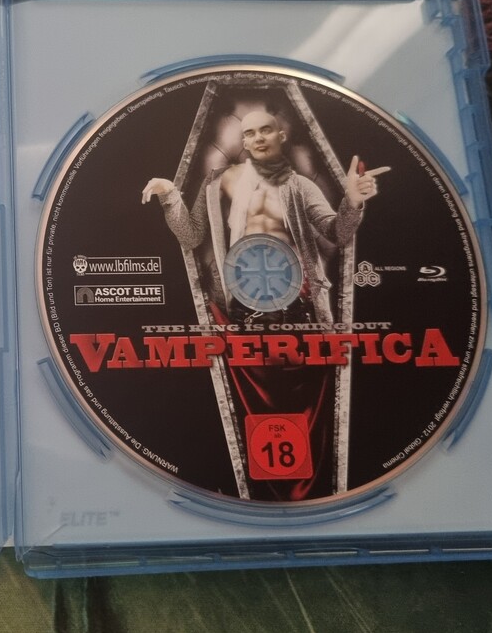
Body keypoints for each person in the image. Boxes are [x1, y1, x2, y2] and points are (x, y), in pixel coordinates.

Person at [140, 109, 388, 500]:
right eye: (250, 133)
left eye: (266, 130)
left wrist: (354, 202)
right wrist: (170, 196)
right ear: (243, 140)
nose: (257, 138)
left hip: (298, 312)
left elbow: (337, 232)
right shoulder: (218, 183)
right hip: (238, 311)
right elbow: (191, 236)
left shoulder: (300, 186)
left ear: (280, 136)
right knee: (247, 406)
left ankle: (308, 494)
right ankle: (254, 493)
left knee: (306, 407)